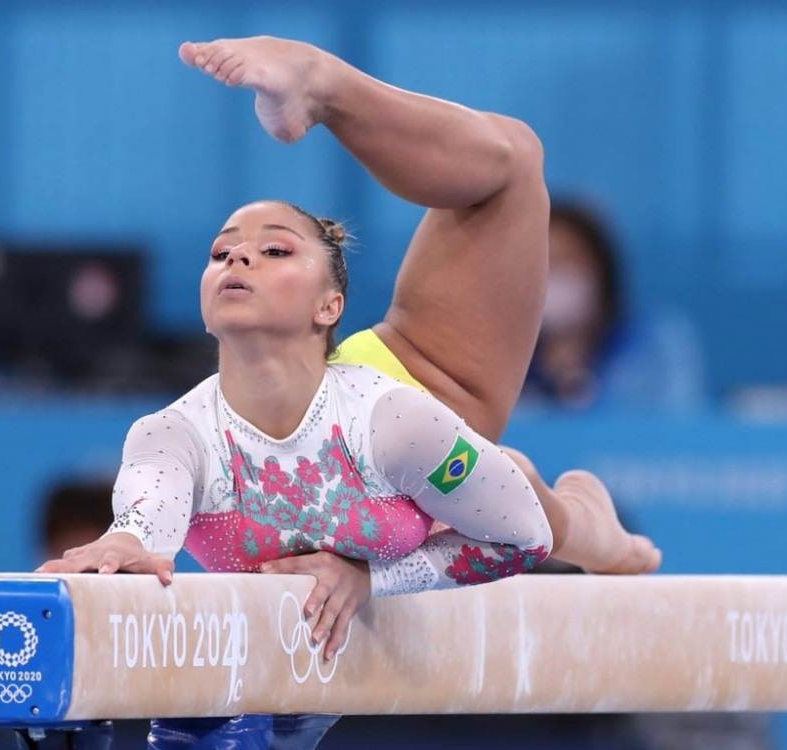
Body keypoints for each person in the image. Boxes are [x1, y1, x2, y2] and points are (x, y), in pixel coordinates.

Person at [39, 36, 662, 748]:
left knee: (512, 161)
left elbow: (522, 539)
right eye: (221, 252)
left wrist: (373, 578)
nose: (238, 255)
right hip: (423, 473)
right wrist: (120, 547)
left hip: (425, 383)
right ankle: (596, 528)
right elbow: (146, 520)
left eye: (276, 249)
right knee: (514, 482)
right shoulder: (173, 434)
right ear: (207, 298)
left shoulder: (395, 419)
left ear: (329, 305)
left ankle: (325, 86)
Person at [523, 199, 707, 411]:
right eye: (540, 262)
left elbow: (676, 418)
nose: (551, 275)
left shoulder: (658, 343)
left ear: (600, 270)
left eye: (565, 262)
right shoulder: (500, 353)